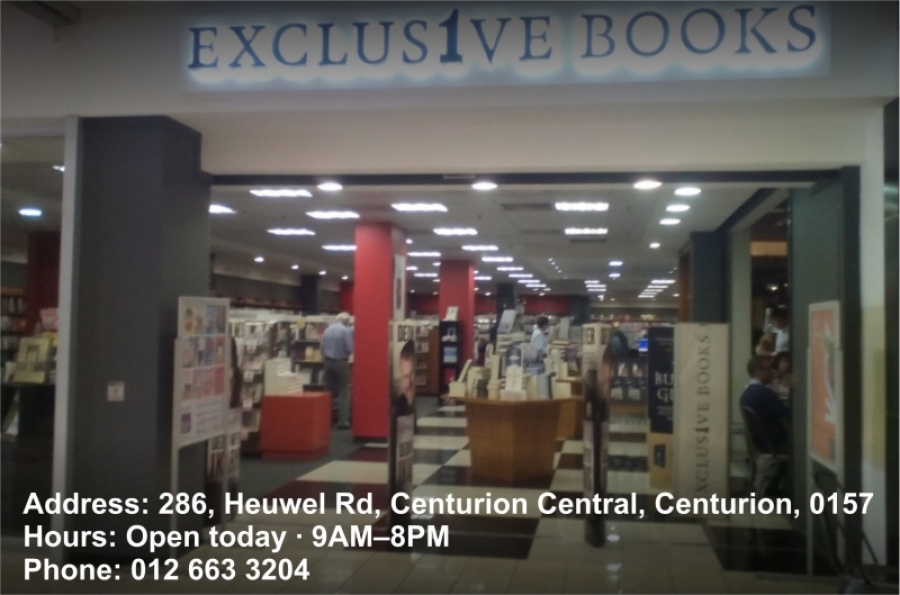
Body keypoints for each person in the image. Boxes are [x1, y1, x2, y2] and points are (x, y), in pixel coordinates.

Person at [740, 355, 790, 454]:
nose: (772, 373)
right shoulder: (764, 392)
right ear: (758, 371)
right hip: (776, 444)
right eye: (769, 369)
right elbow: (788, 414)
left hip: (761, 444)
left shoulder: (746, 394)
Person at [321, 312, 353, 429]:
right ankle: (343, 421)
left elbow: (322, 347)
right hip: (341, 363)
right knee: (343, 392)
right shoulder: (346, 331)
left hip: (328, 362)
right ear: (346, 321)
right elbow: (349, 349)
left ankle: (325, 420)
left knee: (327, 392)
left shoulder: (327, 330)